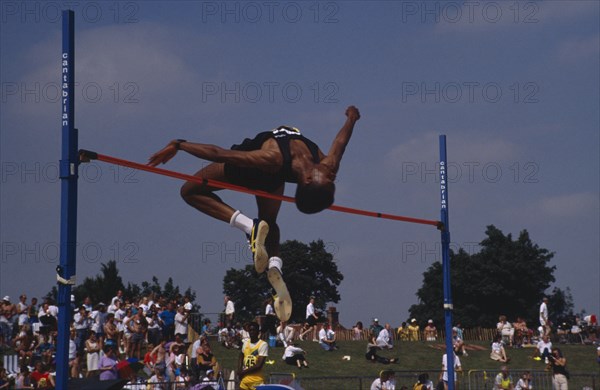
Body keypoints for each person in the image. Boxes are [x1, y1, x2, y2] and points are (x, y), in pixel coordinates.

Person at [149, 106, 361, 320]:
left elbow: (220, 153)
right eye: (330, 179)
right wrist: (351, 119)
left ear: (306, 181)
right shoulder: (326, 165)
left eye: (328, 179)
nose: (332, 175)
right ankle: (265, 249)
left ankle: (257, 239)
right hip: (269, 176)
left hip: (255, 169)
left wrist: (179, 144)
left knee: (191, 191)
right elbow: (340, 143)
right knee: (269, 222)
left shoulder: (276, 157)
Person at [238, 322, 268, 390]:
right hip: (245, 380)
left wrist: (242, 372)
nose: (252, 332)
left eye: (254, 330)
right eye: (250, 330)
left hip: (256, 380)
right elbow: (241, 355)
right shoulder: (245, 343)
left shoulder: (263, 344)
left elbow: (259, 365)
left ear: (258, 332)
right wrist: (239, 368)